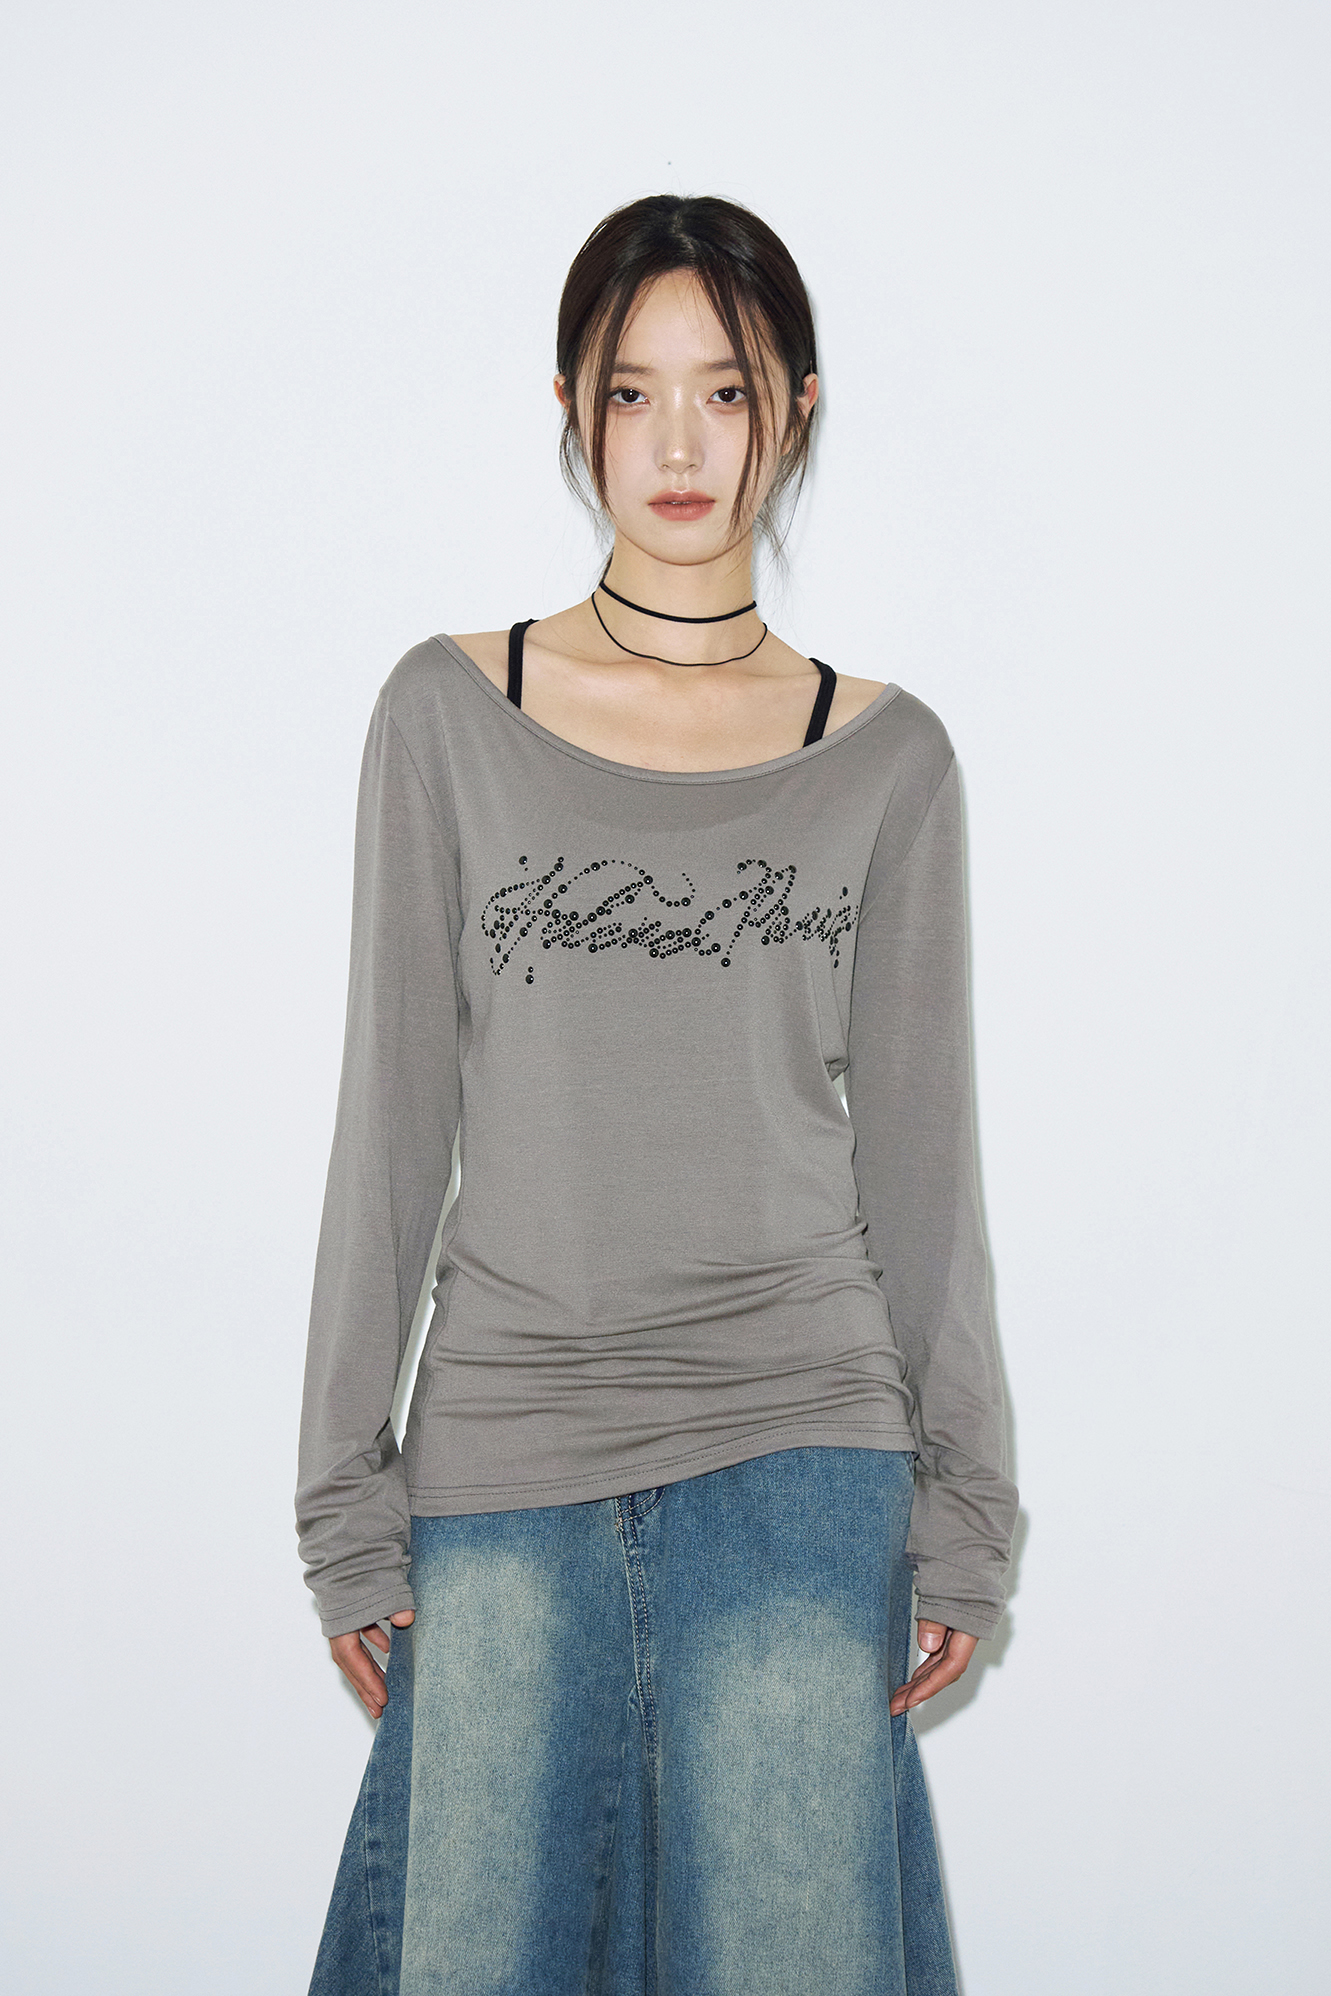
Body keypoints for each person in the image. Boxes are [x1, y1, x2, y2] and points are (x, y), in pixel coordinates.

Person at [295, 192, 1017, 1996]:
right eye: (634, 393)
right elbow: (389, 1128)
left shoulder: (889, 761)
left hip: (804, 1446)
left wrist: (970, 1511)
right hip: (507, 1441)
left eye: (727, 390)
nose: (679, 444)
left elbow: (927, 1170)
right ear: (571, 407)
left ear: (799, 410)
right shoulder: (448, 716)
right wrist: (340, 1499)